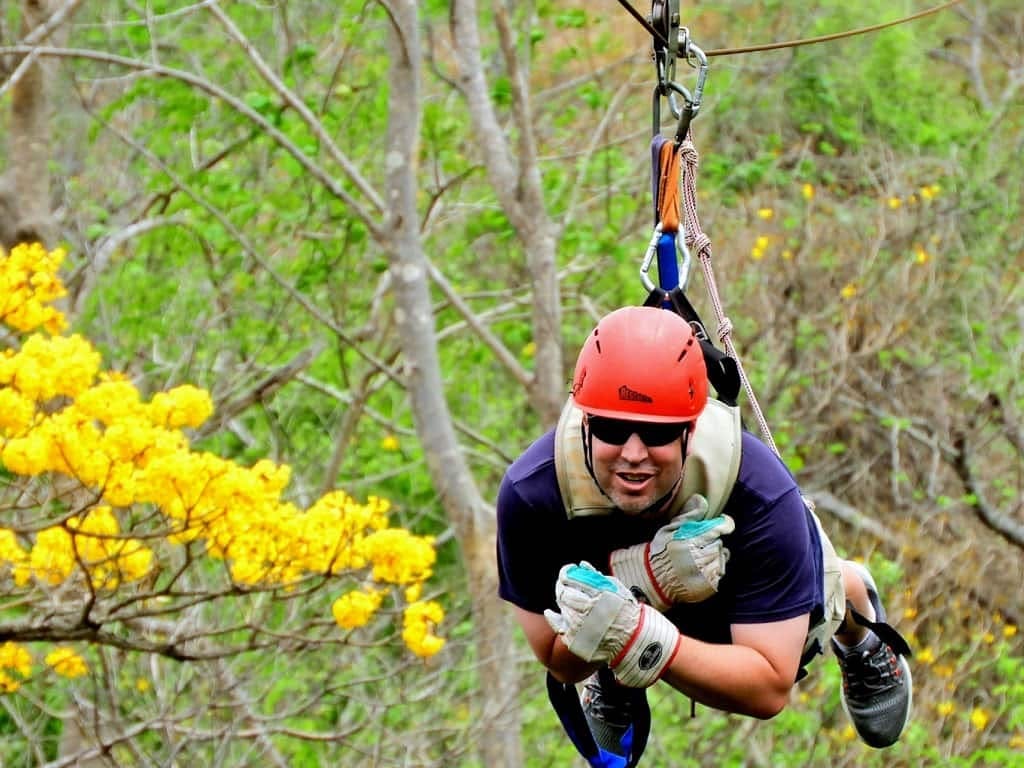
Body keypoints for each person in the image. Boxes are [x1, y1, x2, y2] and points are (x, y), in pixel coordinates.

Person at [496, 306, 912, 767]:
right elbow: (559, 662)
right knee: (596, 621)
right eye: (613, 429)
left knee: (817, 614)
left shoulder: (758, 491)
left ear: (690, 430)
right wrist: (638, 596)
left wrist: (641, 639)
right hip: (609, 591)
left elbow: (770, 687)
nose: (633, 454)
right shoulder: (532, 495)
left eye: (656, 433)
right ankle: (614, 654)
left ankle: (854, 606)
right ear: (586, 422)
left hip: (732, 586)